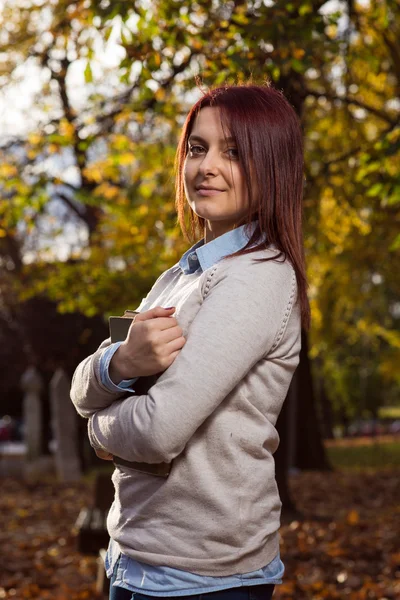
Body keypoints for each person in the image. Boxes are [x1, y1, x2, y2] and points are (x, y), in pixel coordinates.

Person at [70, 82, 310, 600]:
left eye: (234, 152)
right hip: (132, 557)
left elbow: (159, 432)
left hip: (204, 577)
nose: (207, 166)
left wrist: (96, 429)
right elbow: (80, 385)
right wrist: (119, 361)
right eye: (197, 148)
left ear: (272, 165)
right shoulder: (180, 276)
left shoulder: (257, 276)